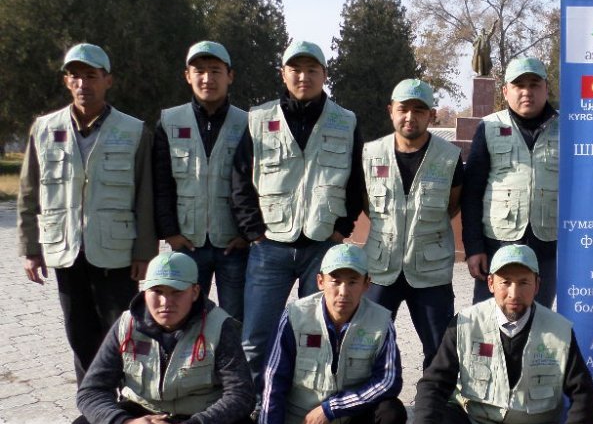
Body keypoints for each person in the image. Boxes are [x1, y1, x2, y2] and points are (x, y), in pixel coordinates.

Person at [409, 245, 593, 424]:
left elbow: (584, 399)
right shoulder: (465, 323)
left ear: (537, 285)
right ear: (491, 283)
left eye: (523, 282)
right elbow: (433, 384)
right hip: (473, 420)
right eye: (505, 282)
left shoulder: (559, 331)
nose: (514, 293)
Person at [62, 251, 258, 424]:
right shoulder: (126, 326)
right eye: (157, 291)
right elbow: (91, 391)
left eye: (177, 292)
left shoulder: (221, 326)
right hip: (146, 415)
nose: (166, 302)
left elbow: (241, 395)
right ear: (145, 291)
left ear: (195, 292)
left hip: (201, 420)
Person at [17, 43, 157, 384]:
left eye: (91, 76)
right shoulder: (44, 129)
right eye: (75, 76)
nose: (83, 84)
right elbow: (29, 191)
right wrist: (31, 249)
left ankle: (127, 398)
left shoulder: (133, 130)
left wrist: (144, 253)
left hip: (116, 251)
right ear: (67, 81)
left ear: (108, 80)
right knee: (78, 332)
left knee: (122, 330)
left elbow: (145, 195)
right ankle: (91, 399)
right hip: (66, 249)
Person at [231, 40, 364, 384]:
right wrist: (253, 231)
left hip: (321, 245)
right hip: (270, 246)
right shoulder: (259, 119)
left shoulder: (345, 121)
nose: (303, 77)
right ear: (283, 74)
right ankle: (252, 407)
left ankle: (305, 404)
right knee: (255, 337)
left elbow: (356, 180)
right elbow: (241, 177)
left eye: (311, 70)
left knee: (316, 336)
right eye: (296, 69)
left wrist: (342, 228)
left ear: (324, 74)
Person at [253, 244, 405, 424]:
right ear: (320, 281)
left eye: (353, 282)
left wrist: (331, 409)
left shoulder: (381, 320)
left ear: (367, 284)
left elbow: (389, 380)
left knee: (392, 413)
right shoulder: (295, 316)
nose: (343, 292)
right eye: (335, 281)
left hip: (349, 419)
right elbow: (273, 383)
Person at [361, 78, 462, 369]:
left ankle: (433, 399)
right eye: (403, 109)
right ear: (390, 110)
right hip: (381, 268)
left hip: (431, 271)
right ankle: (373, 396)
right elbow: (366, 204)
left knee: (440, 352)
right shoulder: (370, 154)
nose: (410, 116)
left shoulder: (449, 157)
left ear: (431, 115)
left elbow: (452, 205)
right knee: (367, 347)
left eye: (419, 110)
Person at [153, 41, 249, 320]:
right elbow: (161, 183)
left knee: (234, 319)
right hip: (188, 242)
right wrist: (170, 232)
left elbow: (256, 183)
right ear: (187, 76)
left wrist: (247, 234)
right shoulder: (169, 121)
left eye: (215, 70)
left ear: (230, 76)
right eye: (200, 71)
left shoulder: (248, 123)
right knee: (187, 318)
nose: (208, 78)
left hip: (233, 244)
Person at [461, 57, 559, 307]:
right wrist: (474, 247)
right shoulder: (489, 127)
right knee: (488, 318)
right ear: (505, 91)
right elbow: (471, 193)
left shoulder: (568, 128)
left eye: (534, 84)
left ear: (546, 88)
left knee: (539, 318)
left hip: (548, 247)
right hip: (497, 245)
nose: (527, 92)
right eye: (519, 85)